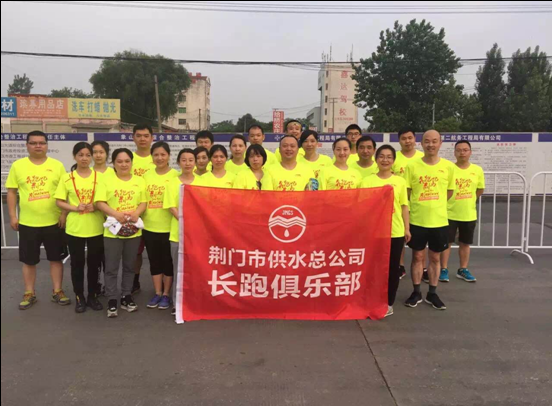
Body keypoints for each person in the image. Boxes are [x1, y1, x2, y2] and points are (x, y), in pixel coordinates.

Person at [6, 130, 70, 310]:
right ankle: (29, 293)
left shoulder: (57, 166)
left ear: (47, 145)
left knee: (56, 259)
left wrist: (64, 213)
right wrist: (13, 216)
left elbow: (65, 192)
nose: (38, 146)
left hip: (54, 222)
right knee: (29, 261)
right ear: (27, 145)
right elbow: (11, 192)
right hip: (28, 223)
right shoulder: (18, 166)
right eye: (33, 143)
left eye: (41, 143)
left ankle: (57, 291)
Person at [404, 130, 455, 311]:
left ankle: (432, 293)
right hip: (417, 220)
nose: (430, 145)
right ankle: (416, 291)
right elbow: (407, 193)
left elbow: (449, 191)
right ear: (421, 143)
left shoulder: (448, 167)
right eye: (427, 141)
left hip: (439, 221)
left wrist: (436, 205)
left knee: (435, 257)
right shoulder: (412, 166)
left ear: (440, 143)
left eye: (434, 141)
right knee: (417, 256)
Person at [95, 148, 147, 318]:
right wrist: (116, 214)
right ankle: (112, 298)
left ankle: (126, 296)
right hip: (113, 232)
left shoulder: (139, 180)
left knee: (129, 266)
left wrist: (136, 213)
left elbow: (143, 202)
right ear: (113, 163)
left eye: (127, 161)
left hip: (133, 232)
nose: (124, 164)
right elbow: (100, 202)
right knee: (111, 267)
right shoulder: (106, 180)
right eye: (119, 161)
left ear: (132, 162)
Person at [360, 145, 410, 318]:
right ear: (376, 159)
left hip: (395, 231)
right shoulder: (367, 181)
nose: (385, 160)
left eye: (389, 157)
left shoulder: (400, 182)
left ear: (393, 161)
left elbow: (404, 206)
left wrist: (407, 228)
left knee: (392, 269)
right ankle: (371, 301)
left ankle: (388, 303)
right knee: (373, 268)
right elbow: (363, 206)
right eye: (381, 156)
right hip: (374, 232)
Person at [55, 142, 104, 313]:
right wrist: (75, 208)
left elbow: (106, 200)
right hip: (75, 227)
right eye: (80, 155)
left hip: (96, 227)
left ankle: (92, 295)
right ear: (74, 156)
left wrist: (95, 206)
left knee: (94, 264)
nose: (84, 158)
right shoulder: (67, 178)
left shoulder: (100, 177)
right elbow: (59, 201)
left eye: (88, 155)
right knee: (77, 264)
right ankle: (79, 296)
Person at [440, 140, 485, 283]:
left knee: (465, 243)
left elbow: (480, 189)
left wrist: (469, 200)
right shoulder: (449, 169)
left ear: (470, 152)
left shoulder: (477, 170)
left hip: (468, 213)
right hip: (449, 213)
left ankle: (463, 269)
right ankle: (443, 269)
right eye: (459, 150)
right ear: (454, 152)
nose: (462, 153)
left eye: (465, 150)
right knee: (446, 243)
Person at [143, 142, 178, 311]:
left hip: (170, 227)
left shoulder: (176, 176)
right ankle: (157, 292)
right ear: (152, 157)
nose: (160, 158)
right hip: (150, 226)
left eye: (163, 154)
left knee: (168, 262)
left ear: (169, 156)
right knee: (154, 261)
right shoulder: (146, 176)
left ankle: (166, 294)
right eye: (156, 155)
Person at [164, 148, 199, 316]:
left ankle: (194, 300)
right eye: (184, 160)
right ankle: (177, 303)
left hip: (198, 233)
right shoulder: (172, 182)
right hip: (178, 232)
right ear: (178, 162)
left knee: (197, 268)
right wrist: (185, 219)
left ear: (195, 162)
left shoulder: (202, 181)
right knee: (179, 269)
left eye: (191, 160)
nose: (187, 163)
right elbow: (171, 206)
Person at [392, 127, 424, 279]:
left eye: (410, 138)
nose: (407, 141)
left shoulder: (422, 157)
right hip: (399, 204)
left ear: (415, 139)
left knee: (419, 240)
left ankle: (422, 267)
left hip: (418, 205)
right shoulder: (394, 158)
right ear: (399, 140)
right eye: (404, 138)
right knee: (400, 236)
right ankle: (400, 265)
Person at [131, 123, 155, 295]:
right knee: (135, 252)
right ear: (133, 138)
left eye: (146, 136)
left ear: (152, 138)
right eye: (138, 135)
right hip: (133, 214)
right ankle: (134, 281)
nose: (142, 139)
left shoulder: (158, 157)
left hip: (155, 215)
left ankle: (159, 286)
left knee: (156, 253)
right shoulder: (128, 159)